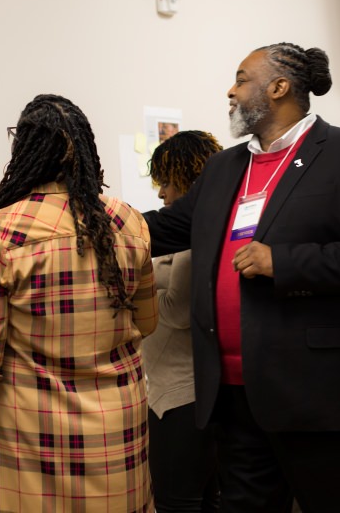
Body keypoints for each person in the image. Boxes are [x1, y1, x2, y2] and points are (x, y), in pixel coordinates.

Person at [142, 43, 340, 513]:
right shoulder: (225, 167)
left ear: (279, 87)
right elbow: (166, 228)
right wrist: (83, 217)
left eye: (242, 78)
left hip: (318, 394)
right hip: (232, 397)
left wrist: (283, 262)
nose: (231, 89)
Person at [0, 94, 158, 513]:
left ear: (24, 151)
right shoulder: (130, 223)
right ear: (86, 149)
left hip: (31, 451)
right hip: (117, 443)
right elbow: (147, 322)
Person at [144, 130, 222, 512]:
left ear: (188, 181)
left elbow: (176, 309)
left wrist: (130, 292)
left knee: (179, 503)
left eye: (167, 182)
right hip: (175, 394)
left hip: (182, 399)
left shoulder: (195, 235)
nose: (161, 194)